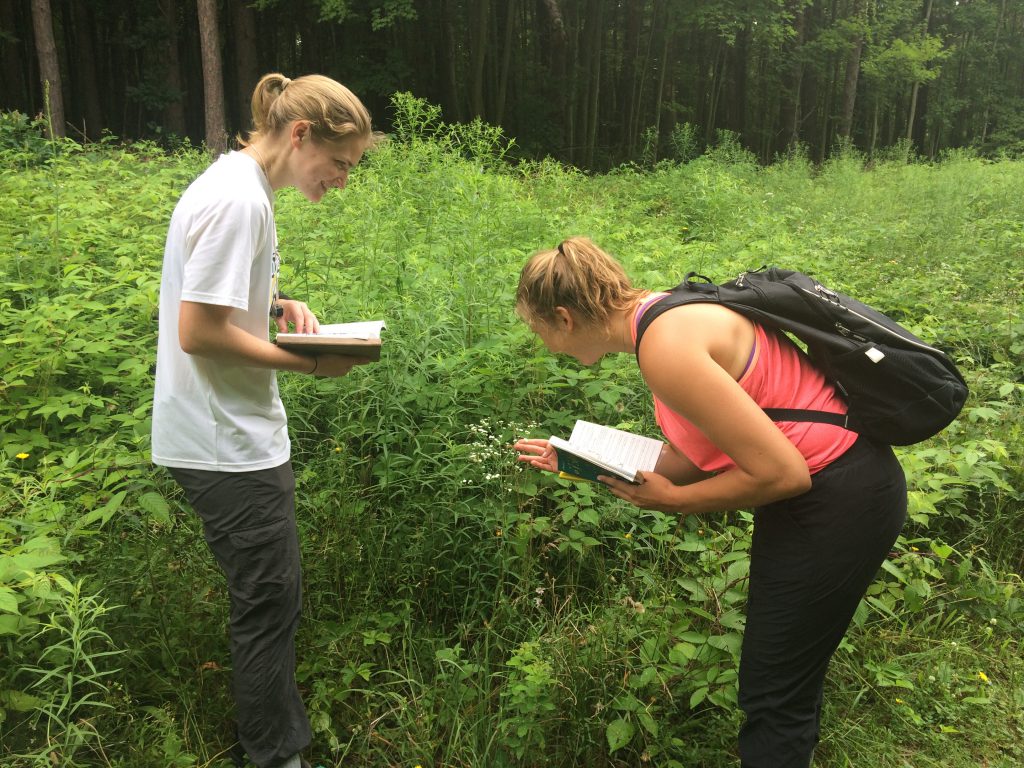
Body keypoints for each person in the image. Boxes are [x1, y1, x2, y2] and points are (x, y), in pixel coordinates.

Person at [512, 237, 907, 767]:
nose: (546, 347)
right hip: (839, 487)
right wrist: (581, 457)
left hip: (838, 497)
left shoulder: (665, 349)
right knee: (783, 677)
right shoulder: (668, 315)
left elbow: (783, 474)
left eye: (539, 333)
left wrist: (678, 503)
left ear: (563, 317)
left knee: (773, 692)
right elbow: (701, 455)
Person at [151, 73, 382, 768]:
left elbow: (217, 299)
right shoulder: (237, 202)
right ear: (300, 134)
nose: (342, 181)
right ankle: (277, 756)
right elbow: (198, 331)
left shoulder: (239, 187)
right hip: (227, 441)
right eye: (340, 163)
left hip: (227, 430)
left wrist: (277, 306)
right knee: (268, 606)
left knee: (269, 600)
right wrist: (310, 363)